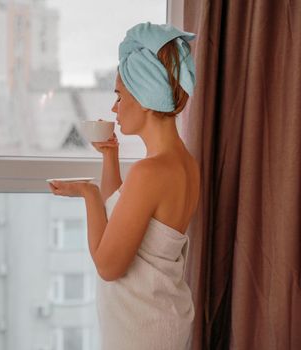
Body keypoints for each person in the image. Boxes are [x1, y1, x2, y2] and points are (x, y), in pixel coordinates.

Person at [48, 22, 200, 350]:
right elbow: (122, 219)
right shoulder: (184, 163)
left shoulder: (150, 172)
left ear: (145, 97)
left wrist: (88, 194)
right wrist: (110, 156)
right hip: (160, 321)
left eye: (119, 95)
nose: (114, 108)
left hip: (143, 332)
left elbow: (108, 265)